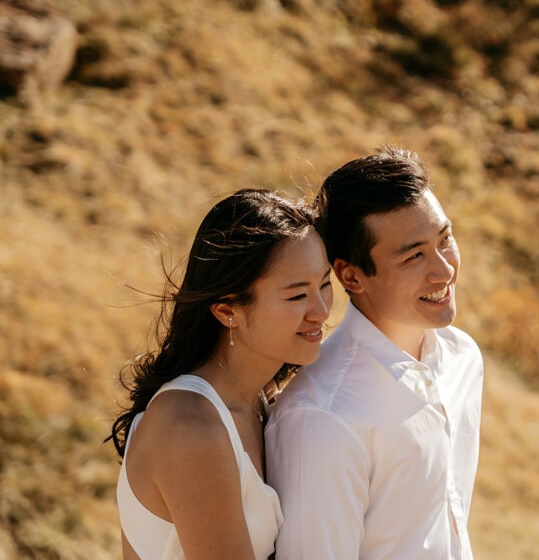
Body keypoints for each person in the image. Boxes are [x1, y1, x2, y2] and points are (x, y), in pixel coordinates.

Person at [265, 147, 484, 559]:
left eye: (445, 239)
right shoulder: (323, 417)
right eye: (414, 255)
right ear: (351, 275)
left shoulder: (463, 359)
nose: (445, 270)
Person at [109, 189, 334, 560]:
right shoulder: (191, 427)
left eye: (324, 284)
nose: (322, 310)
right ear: (228, 311)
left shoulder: (265, 400)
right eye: (297, 296)